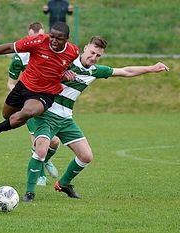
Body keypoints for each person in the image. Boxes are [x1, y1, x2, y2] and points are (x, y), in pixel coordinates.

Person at [23, 36, 169, 202]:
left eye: (98, 55)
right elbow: (40, 71)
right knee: (41, 150)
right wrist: (60, 75)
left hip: (66, 119)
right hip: (46, 114)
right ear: (85, 48)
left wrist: (151, 68)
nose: (93, 57)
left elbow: (125, 71)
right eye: (92, 52)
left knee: (86, 156)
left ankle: (63, 184)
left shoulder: (94, 71)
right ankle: (29, 193)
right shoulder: (66, 62)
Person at [0, 22, 79, 142]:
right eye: (52, 36)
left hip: (45, 93)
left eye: (59, 39)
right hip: (23, 86)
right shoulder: (38, 42)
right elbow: (9, 47)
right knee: (8, 116)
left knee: (27, 112)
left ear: (66, 39)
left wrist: (67, 74)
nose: (54, 41)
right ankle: (29, 120)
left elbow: (70, 67)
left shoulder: (73, 52)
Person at [7, 22, 59, 185]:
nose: (38, 41)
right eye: (33, 38)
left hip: (49, 100)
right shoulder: (20, 57)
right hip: (30, 103)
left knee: (55, 141)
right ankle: (40, 176)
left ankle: (45, 160)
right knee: (37, 139)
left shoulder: (54, 53)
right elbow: (11, 83)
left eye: (41, 37)